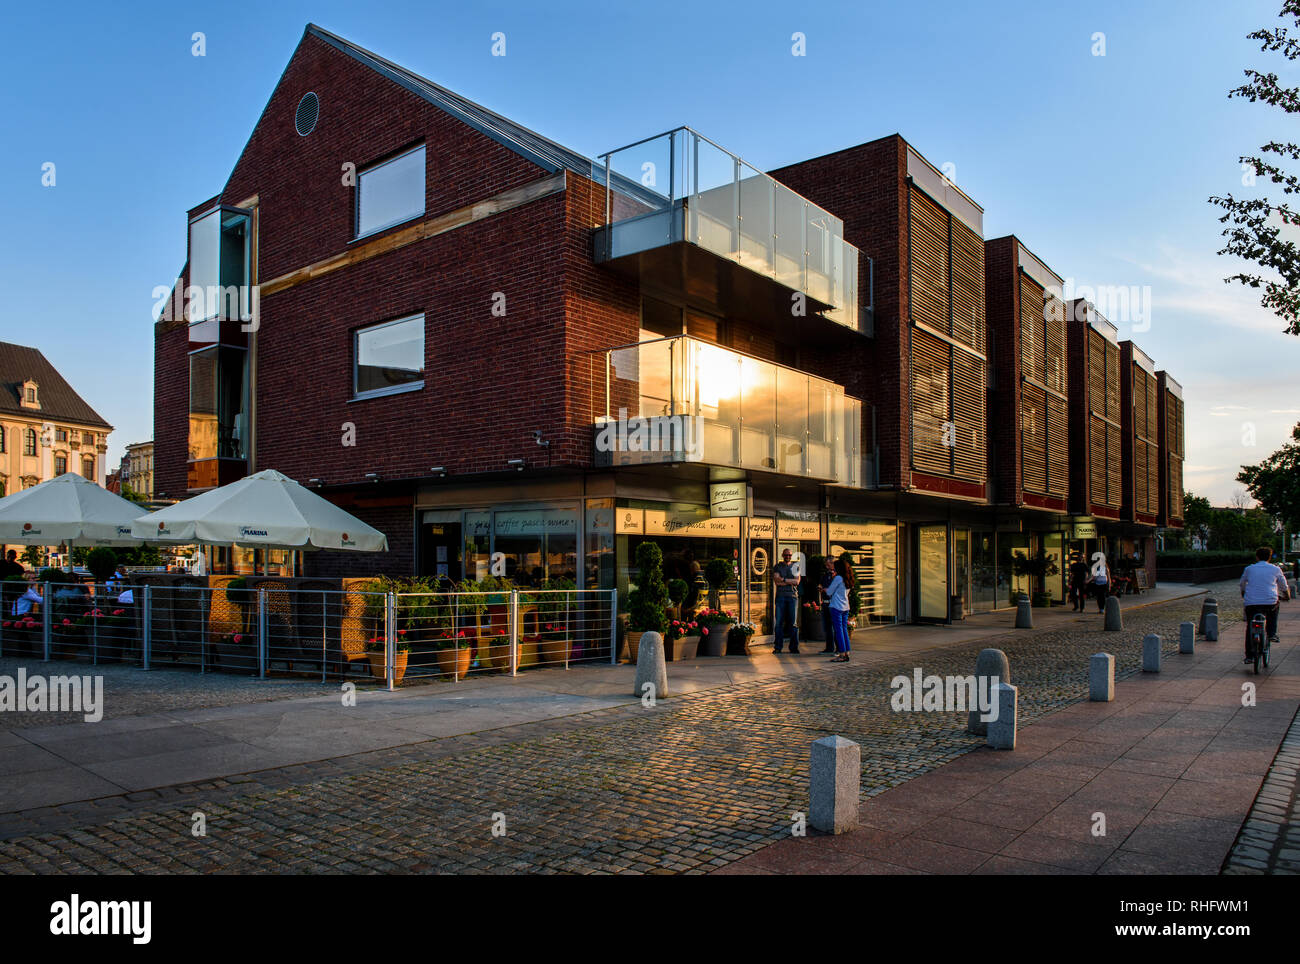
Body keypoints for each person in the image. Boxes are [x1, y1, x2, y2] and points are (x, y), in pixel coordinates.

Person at [1240, 546, 1290, 661]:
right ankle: (1272, 634)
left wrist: (1243, 593)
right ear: (1270, 557)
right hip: (1270, 601)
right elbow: (1283, 585)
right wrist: (1286, 596)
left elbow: (1242, 583)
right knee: (1273, 611)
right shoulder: (1275, 569)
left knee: (1250, 626)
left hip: (1251, 602)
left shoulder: (1249, 569)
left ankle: (1249, 656)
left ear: (1257, 557)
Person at [772, 548, 800, 654]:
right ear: (782, 555)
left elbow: (797, 582)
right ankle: (778, 647)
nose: (788, 557)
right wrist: (790, 581)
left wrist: (783, 579)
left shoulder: (795, 566)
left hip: (793, 597)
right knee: (779, 622)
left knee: (793, 623)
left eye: (789, 555)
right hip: (781, 597)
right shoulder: (777, 566)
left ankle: (794, 647)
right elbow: (777, 582)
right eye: (786, 555)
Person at [827, 557, 854, 662]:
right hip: (845, 606)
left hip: (836, 606)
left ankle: (842, 654)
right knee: (844, 630)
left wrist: (825, 589)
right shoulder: (848, 578)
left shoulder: (838, 578)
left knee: (838, 631)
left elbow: (829, 592)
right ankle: (847, 652)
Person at [818, 557, 836, 654]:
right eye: (826, 564)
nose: (827, 566)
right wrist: (820, 587)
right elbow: (821, 584)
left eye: (828, 564)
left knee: (836, 627)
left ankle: (839, 648)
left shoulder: (837, 575)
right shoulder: (825, 575)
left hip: (833, 603)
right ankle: (829, 648)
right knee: (827, 627)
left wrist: (826, 589)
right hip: (825, 602)